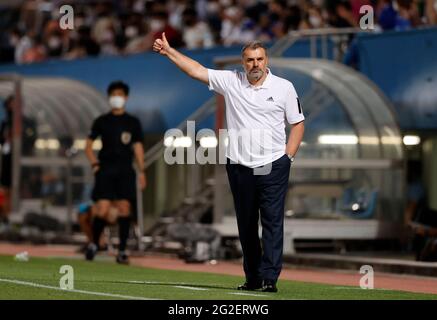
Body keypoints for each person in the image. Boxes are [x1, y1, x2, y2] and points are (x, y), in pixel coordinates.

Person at [153, 35, 305, 292]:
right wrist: (170, 51)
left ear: (266, 60)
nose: (255, 64)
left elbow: (297, 123)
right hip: (239, 166)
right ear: (243, 63)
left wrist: (287, 157)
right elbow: (197, 71)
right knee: (246, 224)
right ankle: (253, 278)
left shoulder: (284, 87)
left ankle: (270, 278)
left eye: (259, 59)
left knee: (272, 222)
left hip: (273, 166)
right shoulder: (231, 80)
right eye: (249, 60)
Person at [85, 81, 146, 264]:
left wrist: (142, 171)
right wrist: (95, 164)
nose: (116, 98)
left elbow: (138, 147)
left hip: (125, 170)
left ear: (126, 98)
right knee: (102, 210)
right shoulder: (101, 121)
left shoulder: (133, 122)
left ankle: (122, 251)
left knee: (124, 209)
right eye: (113, 95)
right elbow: (88, 145)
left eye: (119, 95)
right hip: (105, 169)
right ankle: (95, 243)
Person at [0, 96, 14, 225]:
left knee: (11, 188)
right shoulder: (5, 123)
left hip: (16, 159)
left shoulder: (23, 122)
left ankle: (10, 215)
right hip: (6, 157)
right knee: (4, 188)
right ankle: (5, 217)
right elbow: (2, 140)